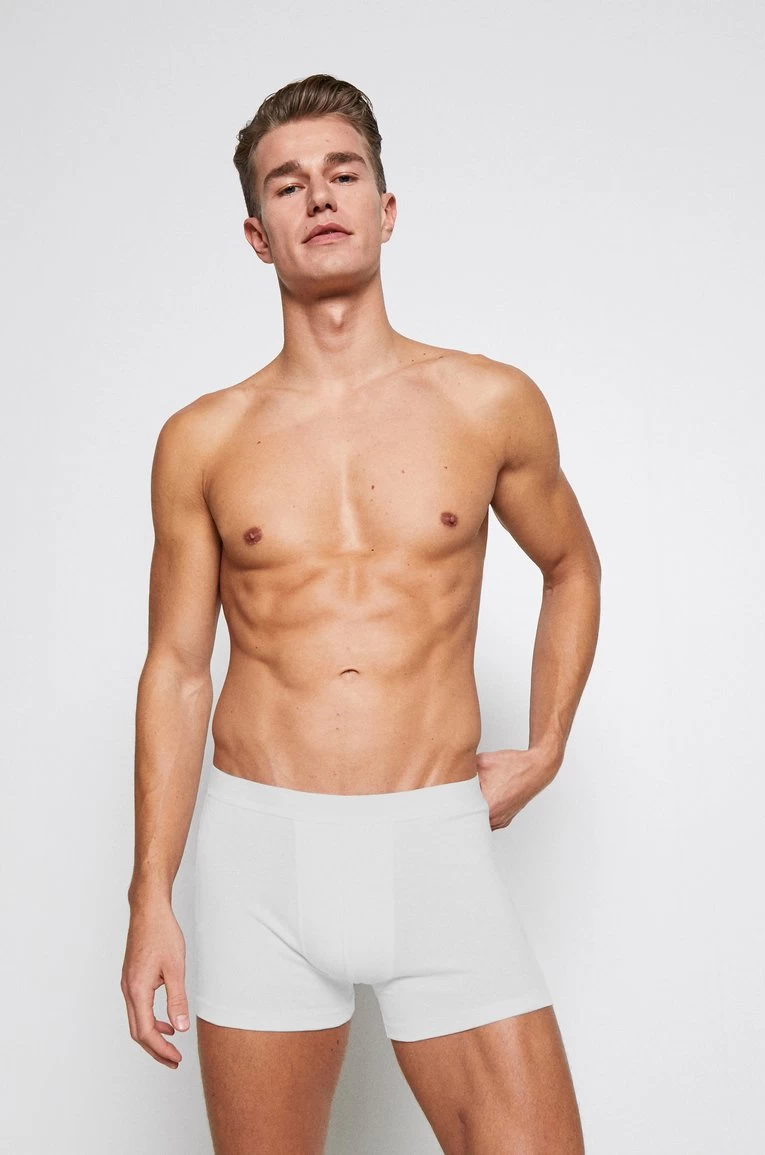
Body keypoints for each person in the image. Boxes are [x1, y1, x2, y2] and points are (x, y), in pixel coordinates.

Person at [121, 72, 601, 1155]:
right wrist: (150, 897)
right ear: (258, 235)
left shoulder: (488, 402)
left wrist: (546, 747)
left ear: (385, 209)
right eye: (288, 184)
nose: (319, 197)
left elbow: (571, 565)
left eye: (343, 174)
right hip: (258, 860)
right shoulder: (202, 439)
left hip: (434, 842)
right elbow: (177, 669)